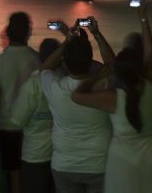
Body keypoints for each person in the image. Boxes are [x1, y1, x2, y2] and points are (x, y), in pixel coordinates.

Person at [71, 3, 152, 193]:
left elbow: (77, 96)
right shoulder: (150, 86)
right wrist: (143, 18)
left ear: (118, 73)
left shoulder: (112, 98)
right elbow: (150, 54)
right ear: (139, 68)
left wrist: (99, 75)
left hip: (123, 162)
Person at [40, 22, 114, 193]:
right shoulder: (103, 84)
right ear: (90, 61)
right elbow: (112, 64)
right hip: (99, 163)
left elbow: (44, 68)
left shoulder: (54, 87)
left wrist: (67, 42)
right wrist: (96, 33)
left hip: (64, 165)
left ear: (64, 61)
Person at [0, 12, 40, 192]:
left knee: (12, 174)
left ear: (8, 32)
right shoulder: (37, 60)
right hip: (33, 127)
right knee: (31, 174)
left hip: (6, 126)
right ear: (28, 32)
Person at [11, 38, 61, 193]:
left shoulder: (31, 85)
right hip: (60, 157)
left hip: (34, 157)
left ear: (40, 57)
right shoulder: (63, 83)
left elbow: (17, 121)